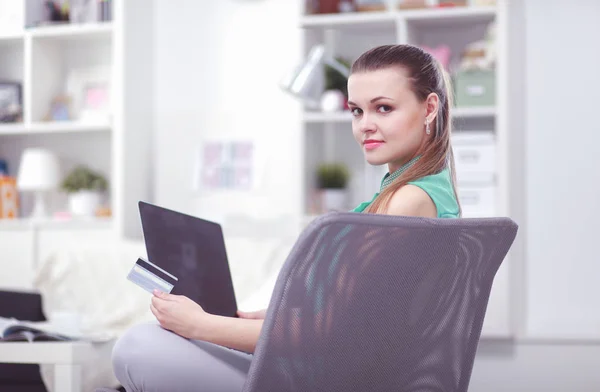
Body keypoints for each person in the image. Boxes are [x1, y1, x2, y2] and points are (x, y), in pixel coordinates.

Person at [110, 44, 461, 392]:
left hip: (326, 379)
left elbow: (330, 334)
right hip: (322, 371)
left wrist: (199, 325)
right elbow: (359, 316)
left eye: (383, 108)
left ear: (429, 108)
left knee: (137, 346)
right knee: (155, 343)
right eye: (356, 111)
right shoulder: (419, 192)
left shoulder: (408, 200)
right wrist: (272, 315)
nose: (365, 125)